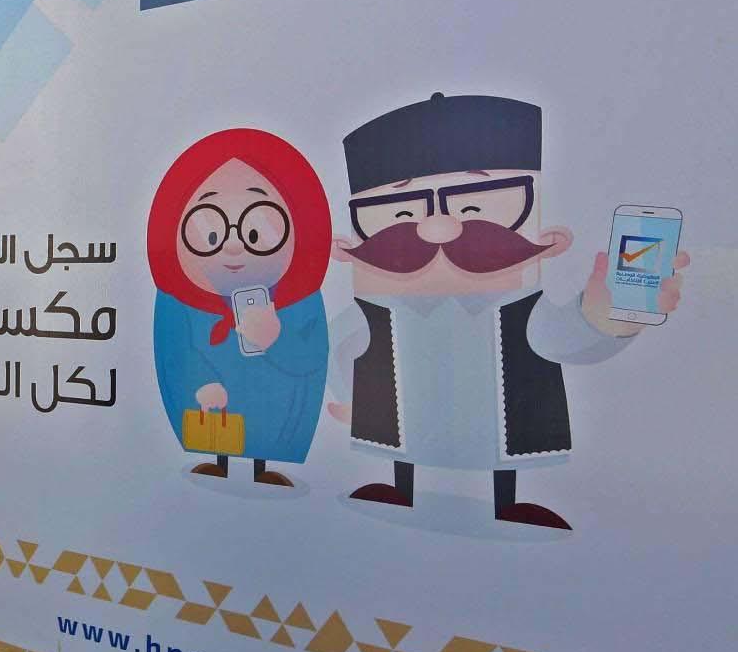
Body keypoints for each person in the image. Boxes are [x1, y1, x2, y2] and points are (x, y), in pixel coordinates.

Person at [326, 92, 689, 529]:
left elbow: (563, 340)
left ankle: (505, 502)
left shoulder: (518, 309)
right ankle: (402, 487)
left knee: (503, 443)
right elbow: (338, 347)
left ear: (549, 238)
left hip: (502, 430)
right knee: (402, 440)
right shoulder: (375, 312)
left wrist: (606, 316)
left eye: (473, 206)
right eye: (402, 212)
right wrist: (347, 399)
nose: (438, 226)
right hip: (400, 427)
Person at [147, 128, 332, 488]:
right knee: (212, 428)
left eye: (256, 231)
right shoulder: (175, 304)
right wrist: (202, 382)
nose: (233, 247)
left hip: (279, 414)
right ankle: (218, 461)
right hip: (208, 412)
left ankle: (266, 466)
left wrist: (277, 340)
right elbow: (173, 354)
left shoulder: (301, 301)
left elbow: (312, 359)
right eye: (210, 232)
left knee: (271, 427)